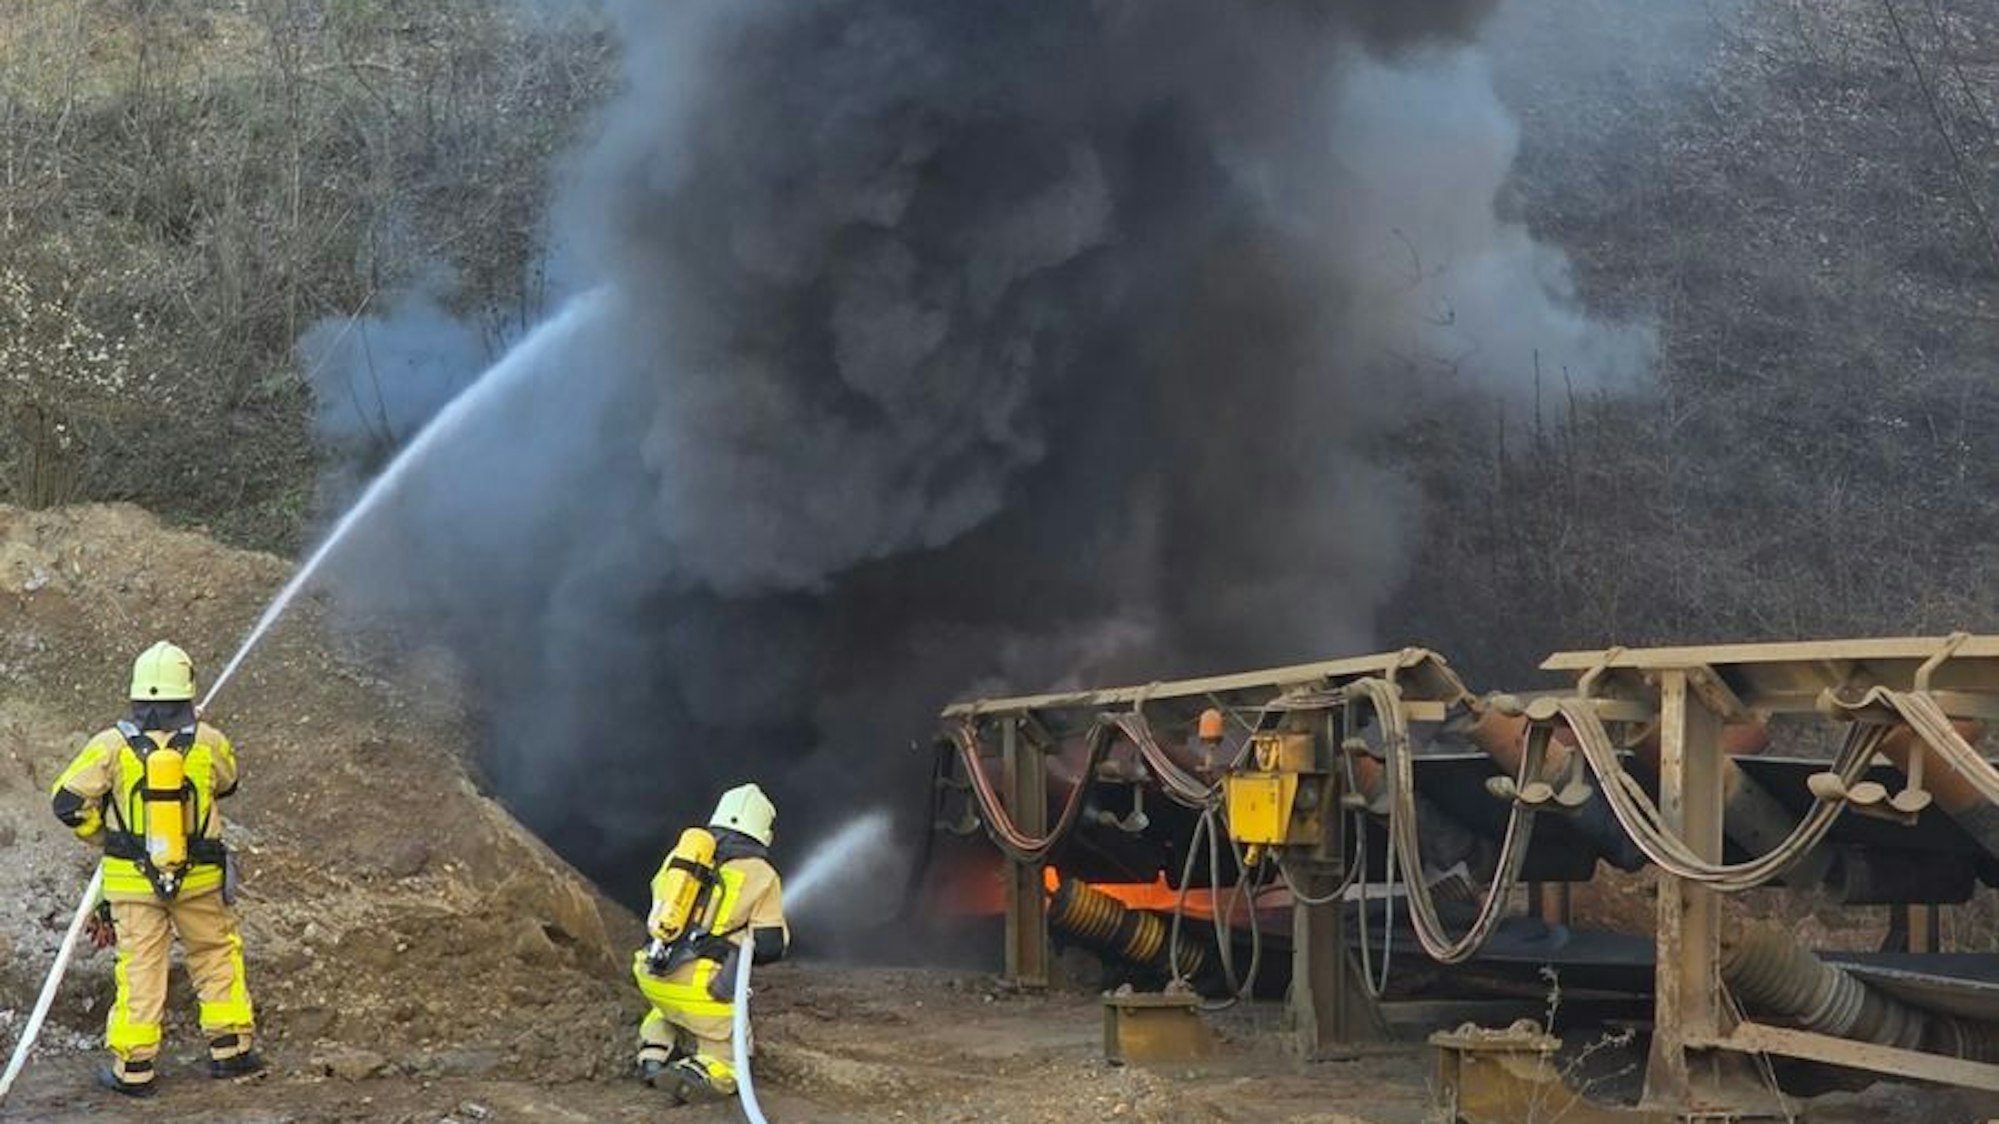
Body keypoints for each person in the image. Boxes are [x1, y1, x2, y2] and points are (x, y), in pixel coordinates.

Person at [48, 641, 261, 1097]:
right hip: (200, 877)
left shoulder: (110, 745)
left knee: (140, 966)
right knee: (214, 954)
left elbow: (65, 801)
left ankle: (134, 1067)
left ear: (136, 694)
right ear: (186, 692)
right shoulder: (208, 741)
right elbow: (229, 782)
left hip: (131, 882)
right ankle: (230, 1050)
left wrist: (102, 837)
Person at [632, 782, 789, 1104]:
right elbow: (770, 944)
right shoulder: (761, 874)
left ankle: (654, 1052)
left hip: (651, 971)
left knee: (665, 1011)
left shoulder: (682, 858)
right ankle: (705, 1071)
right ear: (765, 832)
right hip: (702, 989)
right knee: (730, 1041)